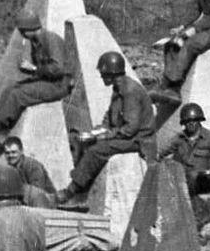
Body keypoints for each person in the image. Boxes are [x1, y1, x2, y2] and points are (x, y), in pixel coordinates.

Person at [65, 50, 153, 201]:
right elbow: (110, 115)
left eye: (103, 74)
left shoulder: (130, 91)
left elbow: (130, 129)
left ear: (111, 74)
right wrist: (97, 131)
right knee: (81, 140)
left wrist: (106, 135)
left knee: (97, 150)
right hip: (126, 136)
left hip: (139, 141)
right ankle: (83, 188)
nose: (101, 77)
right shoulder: (118, 87)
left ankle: (73, 190)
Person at [0, 13, 72, 152]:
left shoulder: (51, 40)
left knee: (18, 94)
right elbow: (42, 69)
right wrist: (29, 69)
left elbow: (58, 69)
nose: (22, 34)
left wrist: (34, 68)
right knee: (10, 89)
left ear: (30, 28)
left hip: (59, 85)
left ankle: (0, 130)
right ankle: (3, 128)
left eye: (22, 31)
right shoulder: (36, 41)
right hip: (47, 80)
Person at [165, 102, 210, 200]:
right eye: (187, 121)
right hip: (185, 181)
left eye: (194, 120)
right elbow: (162, 151)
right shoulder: (179, 138)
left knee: (193, 176)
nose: (191, 123)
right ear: (183, 123)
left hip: (206, 181)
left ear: (199, 120)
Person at [0, 135, 59, 207]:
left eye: (14, 152)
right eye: (7, 153)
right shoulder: (9, 169)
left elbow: (37, 192)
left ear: (21, 151)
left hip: (46, 204)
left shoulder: (33, 166)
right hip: (27, 203)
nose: (10, 155)